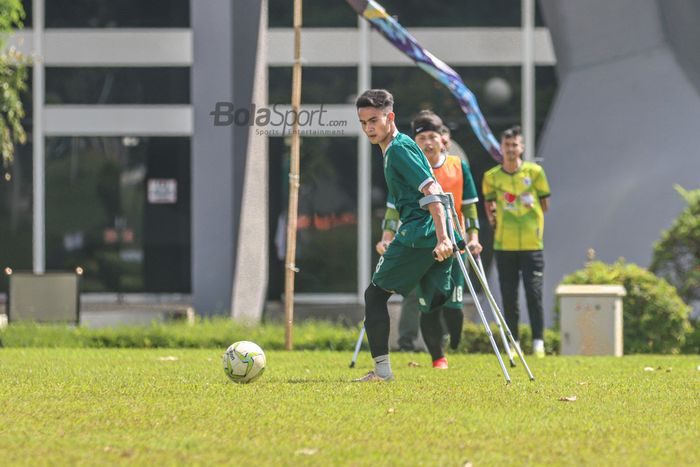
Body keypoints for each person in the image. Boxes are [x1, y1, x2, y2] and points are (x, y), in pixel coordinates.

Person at [354, 89, 453, 382]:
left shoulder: (399, 149)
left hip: (417, 233)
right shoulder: (394, 148)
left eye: (374, 120)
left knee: (374, 296)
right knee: (427, 300)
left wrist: (443, 236)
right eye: (363, 123)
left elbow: (432, 191)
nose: (369, 128)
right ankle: (430, 355)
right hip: (420, 232)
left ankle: (382, 373)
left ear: (390, 117)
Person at [376, 111, 482, 367]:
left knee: (453, 305)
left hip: (453, 241)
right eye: (421, 137)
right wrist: (386, 237)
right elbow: (393, 207)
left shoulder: (457, 166)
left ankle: (453, 340)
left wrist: (473, 236)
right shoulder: (408, 163)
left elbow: (469, 206)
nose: (427, 142)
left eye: (432, 136)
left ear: (443, 139)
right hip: (422, 241)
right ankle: (438, 357)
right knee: (426, 303)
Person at [482, 126, 550, 358]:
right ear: (501, 147)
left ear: (522, 147)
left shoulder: (535, 172)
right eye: (507, 145)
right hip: (505, 245)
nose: (511, 149)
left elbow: (545, 204)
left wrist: (534, 223)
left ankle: (538, 342)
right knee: (509, 296)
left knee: (534, 294)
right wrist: (495, 220)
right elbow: (489, 204)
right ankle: (514, 343)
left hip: (532, 245)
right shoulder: (491, 177)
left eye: (515, 145)